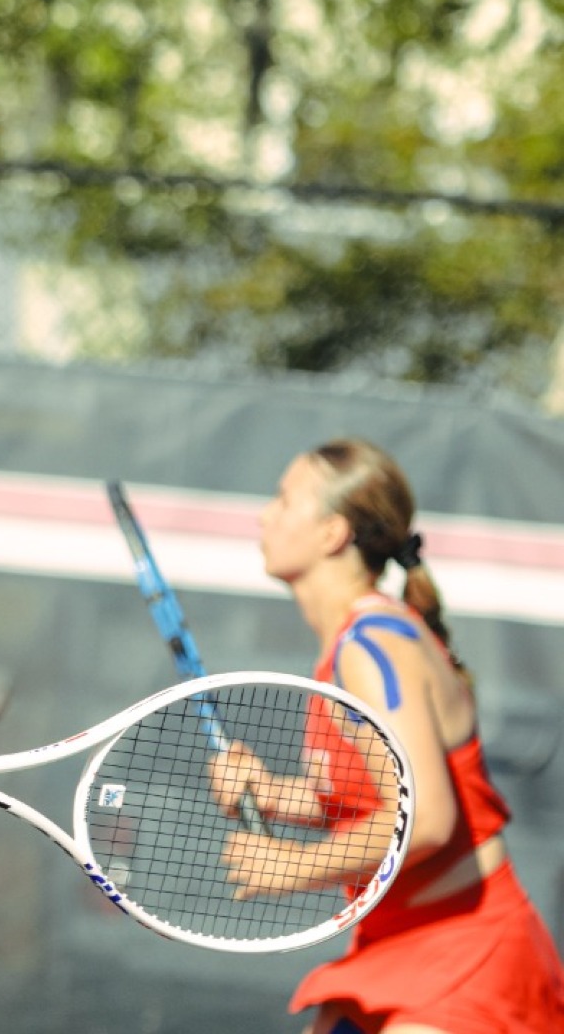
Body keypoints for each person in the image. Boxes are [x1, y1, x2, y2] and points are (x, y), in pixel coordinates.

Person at [212, 437, 564, 1033]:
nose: (263, 515)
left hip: (466, 955)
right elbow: (371, 799)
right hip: (400, 943)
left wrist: (291, 866)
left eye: (284, 499)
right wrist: (274, 793)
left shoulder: (373, 649)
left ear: (332, 534)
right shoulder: (352, 644)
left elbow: (423, 819)